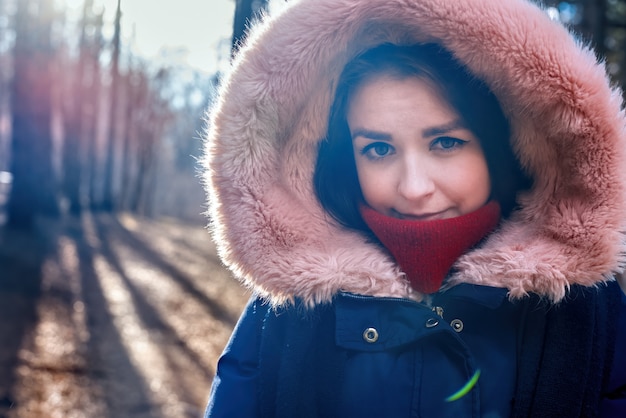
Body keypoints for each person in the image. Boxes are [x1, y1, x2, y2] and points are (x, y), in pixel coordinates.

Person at [203, 0, 626, 416]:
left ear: (503, 149)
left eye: (445, 143)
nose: (414, 187)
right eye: (379, 149)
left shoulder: (584, 307)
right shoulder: (288, 308)